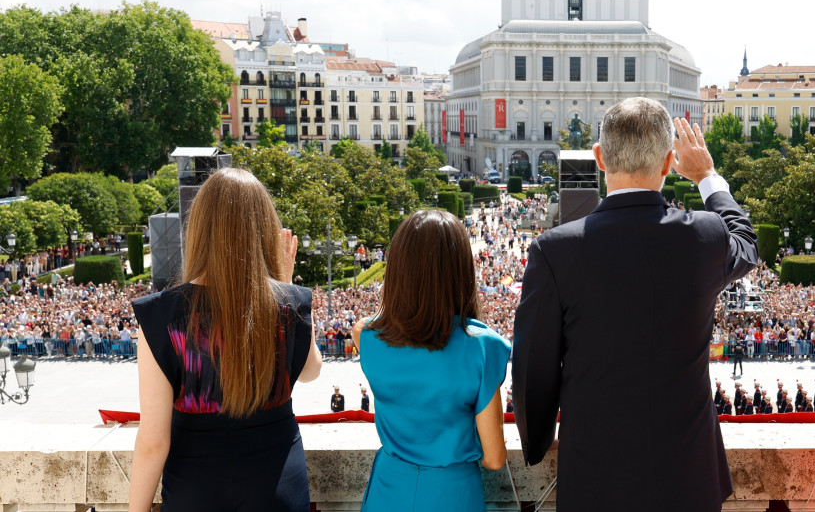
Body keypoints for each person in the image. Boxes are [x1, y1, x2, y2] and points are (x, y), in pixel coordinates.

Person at [512, 100, 758, 512]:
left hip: (595, 477)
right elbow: (745, 243)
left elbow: (532, 366)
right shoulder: (705, 235)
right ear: (667, 164)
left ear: (600, 158)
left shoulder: (554, 250)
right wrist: (707, 176)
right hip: (688, 477)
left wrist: (536, 444)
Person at [129, 168, 323, 512]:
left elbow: (153, 442)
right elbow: (310, 372)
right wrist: (285, 284)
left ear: (199, 229)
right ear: (264, 228)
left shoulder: (159, 315)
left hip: (195, 491)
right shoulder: (290, 302)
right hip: (278, 486)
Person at [353, 209, 510, 512]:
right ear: (461, 269)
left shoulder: (366, 335)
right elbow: (494, 458)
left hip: (389, 489)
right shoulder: (484, 347)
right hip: (452, 493)